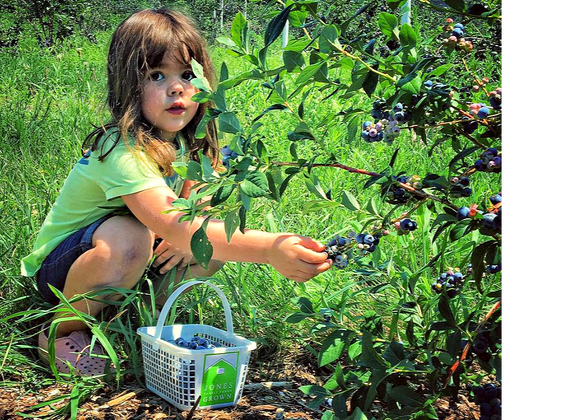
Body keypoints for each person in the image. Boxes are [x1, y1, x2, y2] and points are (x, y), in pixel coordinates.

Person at [20, 7, 332, 376]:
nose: (177, 87)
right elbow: (174, 225)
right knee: (133, 236)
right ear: (128, 85)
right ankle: (63, 330)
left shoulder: (194, 142)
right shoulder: (122, 150)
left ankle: (141, 326)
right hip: (63, 271)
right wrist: (269, 248)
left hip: (128, 259)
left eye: (187, 74)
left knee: (206, 251)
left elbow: (194, 210)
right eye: (156, 75)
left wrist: (190, 233)